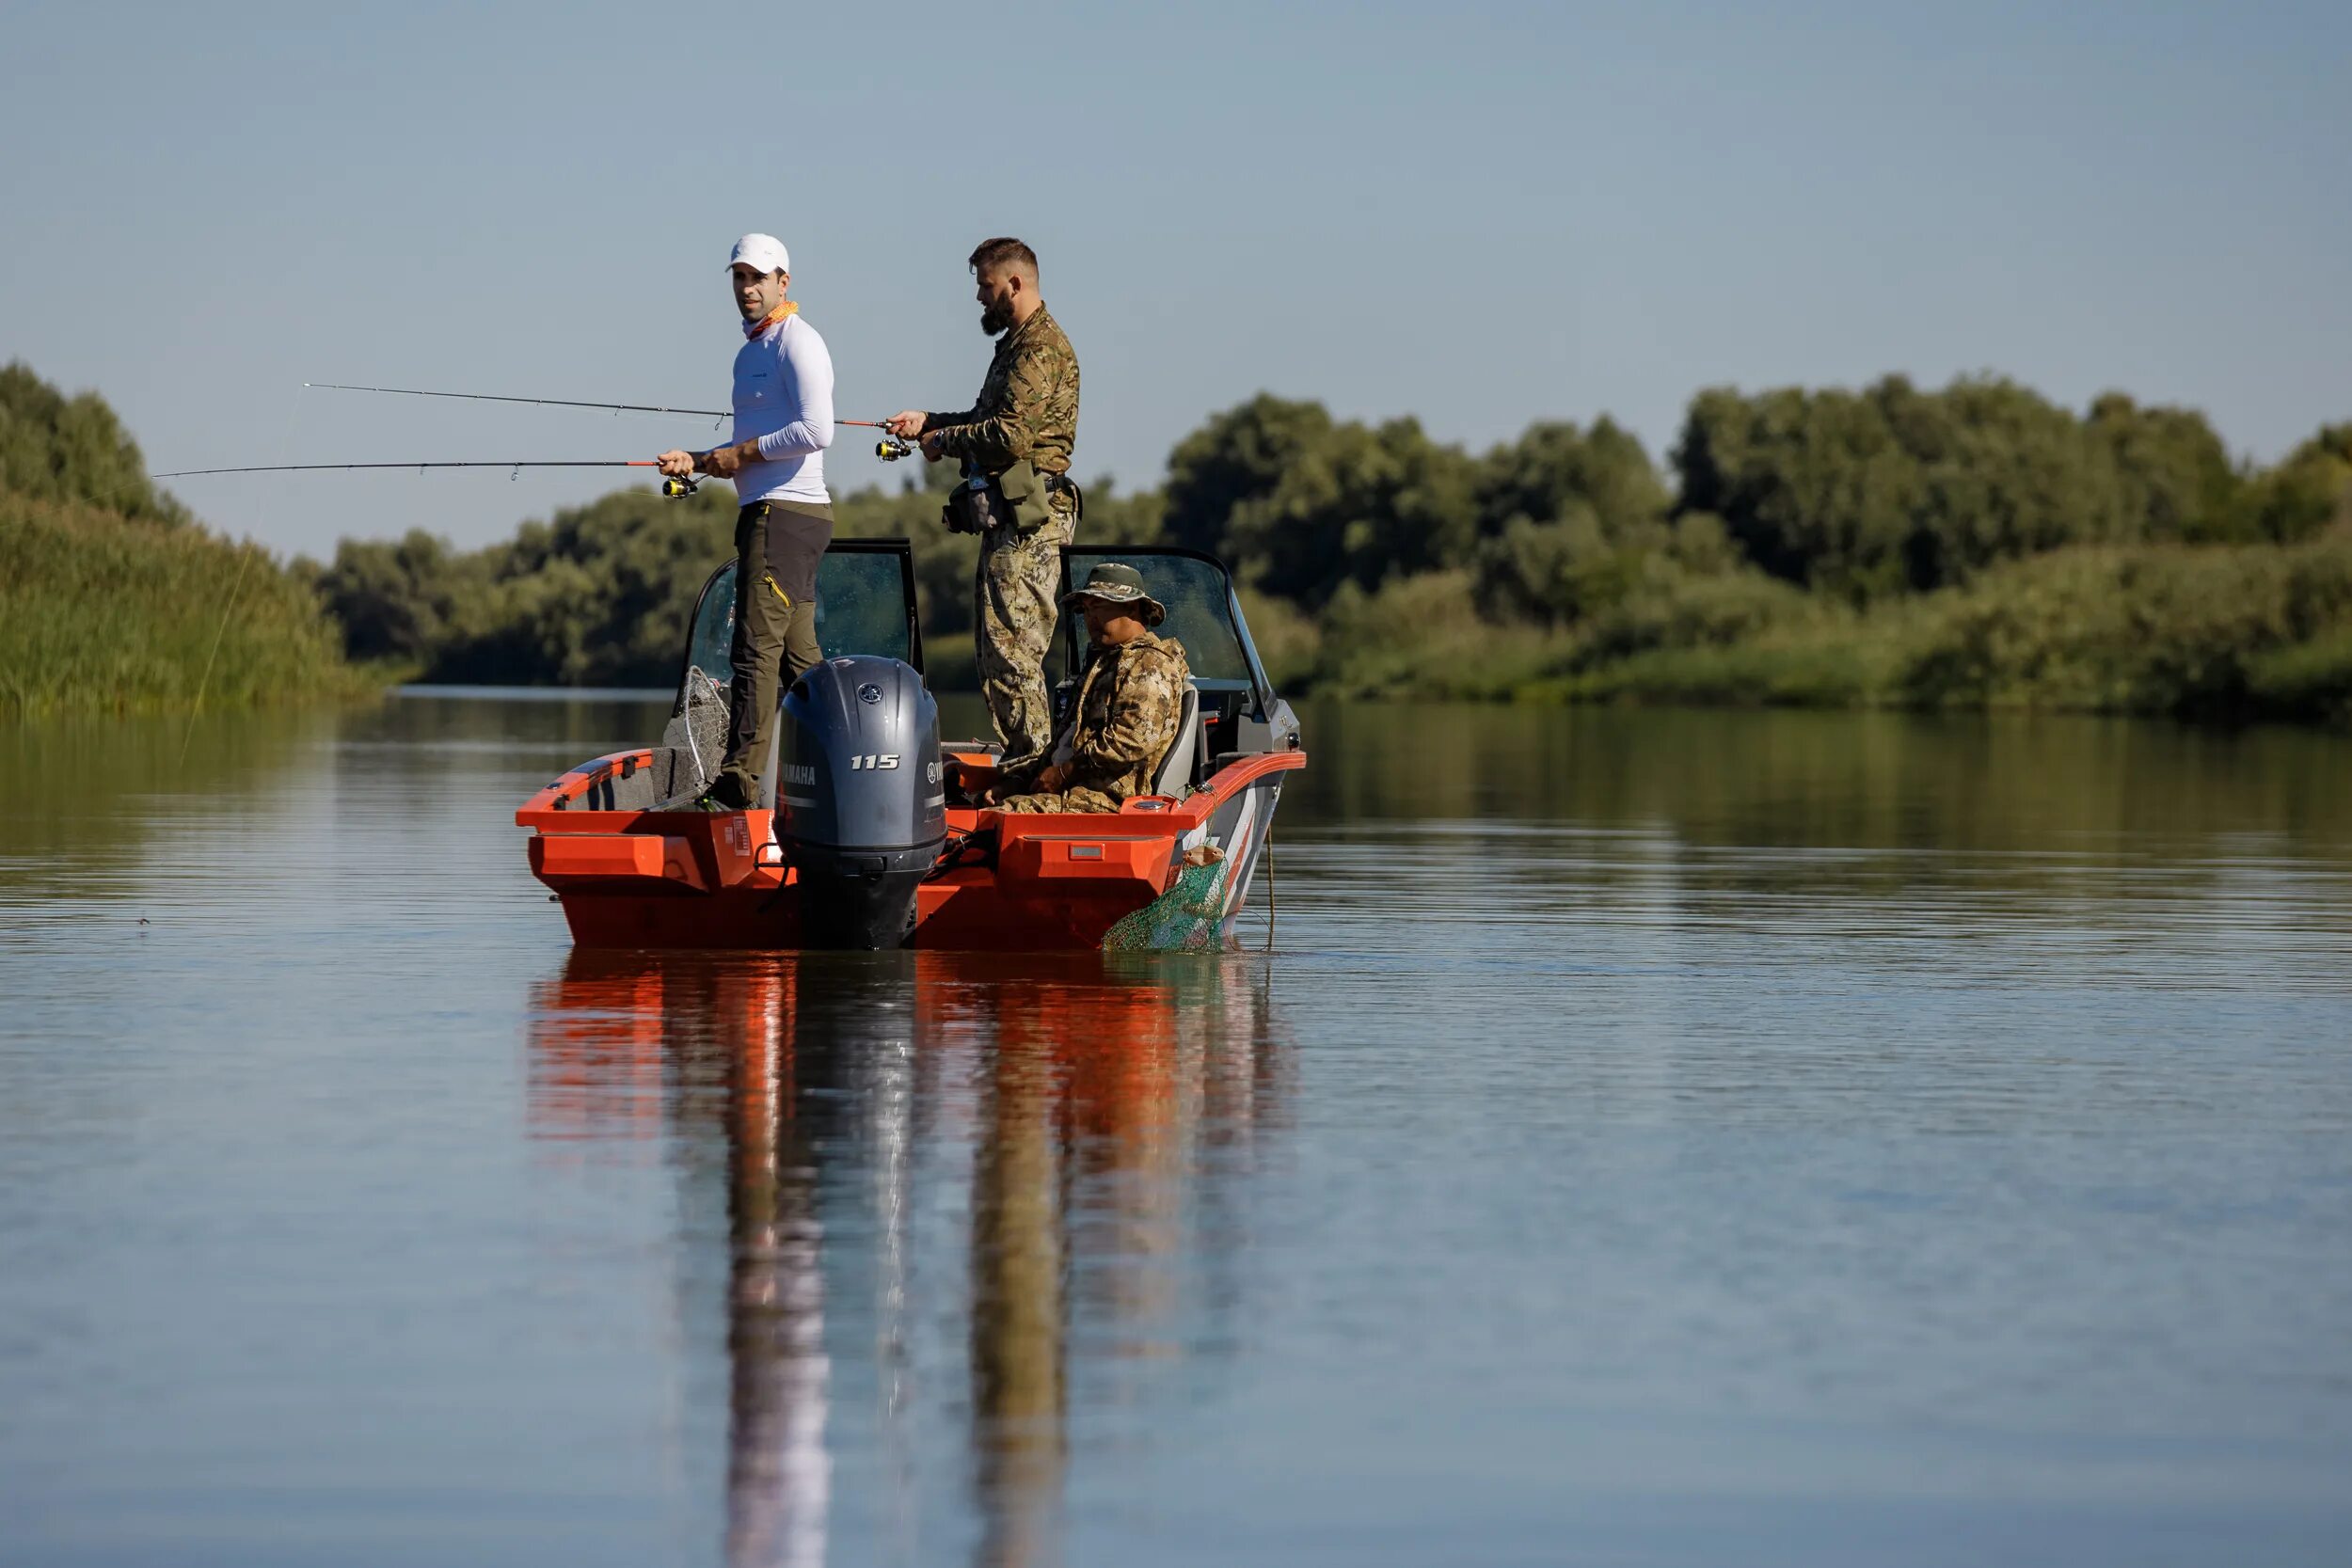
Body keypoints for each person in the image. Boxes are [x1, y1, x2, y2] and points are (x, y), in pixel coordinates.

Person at [883, 237, 1080, 774]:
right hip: (1009, 519)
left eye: (985, 286)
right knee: (996, 652)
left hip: (1029, 522)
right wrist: (930, 422)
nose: (978, 298)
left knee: (1014, 653)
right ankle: (1026, 765)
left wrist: (944, 442)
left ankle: (1035, 774)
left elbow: (1012, 437)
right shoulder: (1015, 345)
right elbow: (984, 418)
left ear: (1014, 284)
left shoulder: (1039, 348)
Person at [660, 233, 835, 811]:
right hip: (768, 513)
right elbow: (746, 450)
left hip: (786, 516)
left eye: (758, 277)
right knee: (796, 660)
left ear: (784, 282)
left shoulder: (797, 342)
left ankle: (737, 786)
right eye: (739, 277)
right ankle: (842, 765)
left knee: (753, 652)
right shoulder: (749, 353)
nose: (748, 288)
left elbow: (817, 431)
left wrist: (741, 455)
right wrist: (702, 459)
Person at [984, 563, 1190, 815]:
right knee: (975, 805)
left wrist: (1064, 772)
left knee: (996, 819)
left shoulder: (1149, 664)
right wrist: (1018, 783)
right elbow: (1066, 742)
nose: (1090, 619)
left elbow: (1133, 740)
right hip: (1073, 794)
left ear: (1132, 608)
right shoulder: (1104, 663)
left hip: (1109, 802)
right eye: (1086, 610)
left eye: (1100, 608)